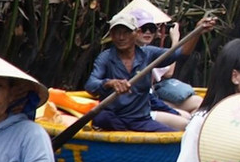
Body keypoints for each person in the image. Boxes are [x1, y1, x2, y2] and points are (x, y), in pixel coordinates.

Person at [86, 9, 217, 131]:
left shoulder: (148, 54)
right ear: (111, 35)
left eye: (126, 32)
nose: (121, 37)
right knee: (101, 118)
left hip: (141, 119)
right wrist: (110, 83)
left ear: (136, 33)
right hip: (114, 118)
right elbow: (90, 85)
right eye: (116, 33)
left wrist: (197, 31)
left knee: (175, 136)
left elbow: (181, 53)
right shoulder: (105, 57)